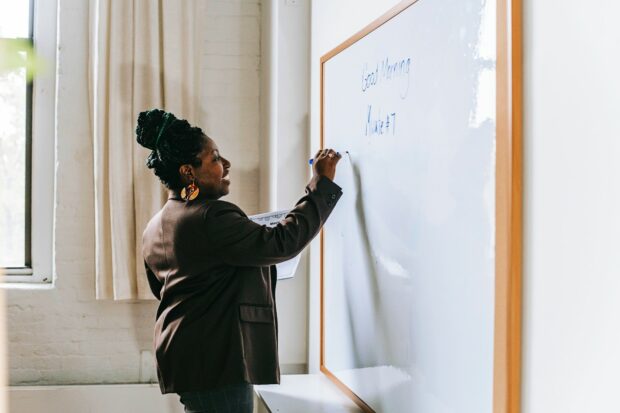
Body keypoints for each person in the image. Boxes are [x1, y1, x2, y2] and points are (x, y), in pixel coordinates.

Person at [136, 109, 343, 413]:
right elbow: (282, 242)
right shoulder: (211, 216)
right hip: (217, 360)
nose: (226, 164)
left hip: (185, 357)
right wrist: (320, 184)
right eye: (215, 158)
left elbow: (168, 288)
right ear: (188, 172)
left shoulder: (156, 224)